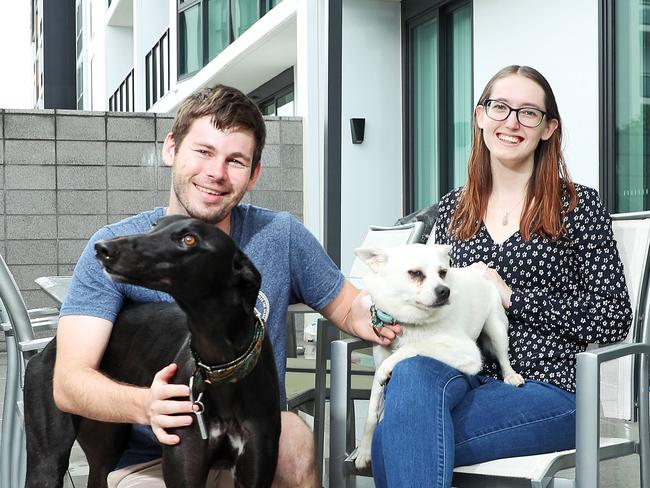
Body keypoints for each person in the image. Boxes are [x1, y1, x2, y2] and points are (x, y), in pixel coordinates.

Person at [52, 84, 399, 487]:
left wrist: (388, 310)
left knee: (296, 438)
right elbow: (69, 381)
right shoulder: (117, 248)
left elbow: (348, 308)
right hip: (153, 457)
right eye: (203, 152)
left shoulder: (279, 235)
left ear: (254, 175)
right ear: (171, 150)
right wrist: (144, 403)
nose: (216, 173)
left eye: (235, 161)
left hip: (253, 440)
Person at [369, 65, 633, 487]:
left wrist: (513, 297)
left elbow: (613, 316)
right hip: (461, 370)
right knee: (413, 375)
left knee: (394, 440)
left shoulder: (577, 205)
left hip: (550, 387)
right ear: (479, 116)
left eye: (528, 113)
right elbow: (430, 299)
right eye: (499, 107)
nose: (511, 122)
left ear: (548, 128)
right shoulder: (455, 208)